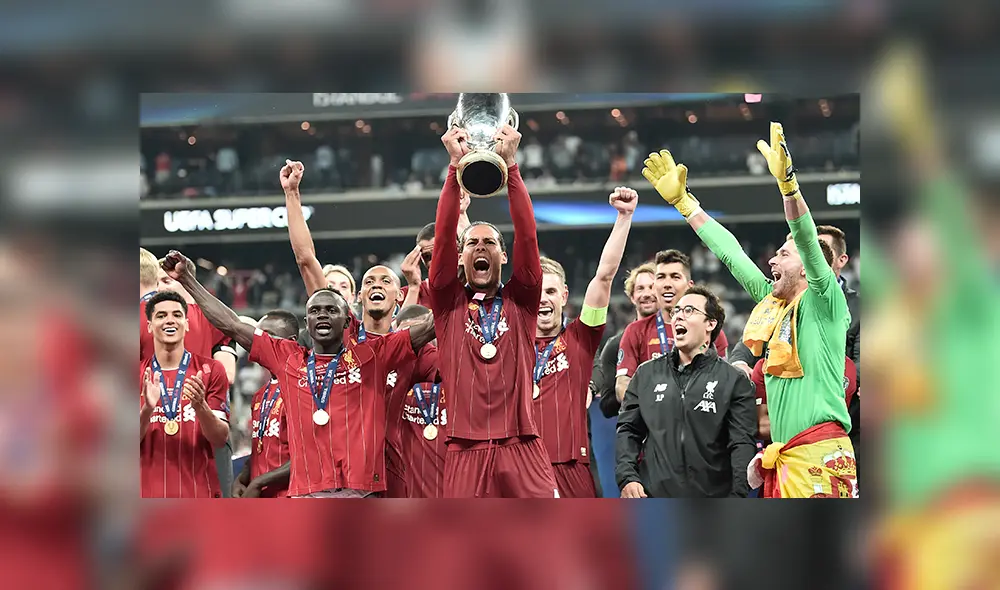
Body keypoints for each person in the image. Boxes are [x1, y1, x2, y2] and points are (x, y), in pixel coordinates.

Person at [641, 122, 856, 498]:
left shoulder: (826, 303)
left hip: (822, 458)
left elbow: (805, 237)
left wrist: (789, 185)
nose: (772, 259)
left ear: (807, 266)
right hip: (785, 457)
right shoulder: (772, 306)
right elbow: (730, 253)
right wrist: (685, 204)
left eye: (783, 254)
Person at [161, 250, 436, 498]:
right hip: (306, 493)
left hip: (361, 491)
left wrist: (466, 288)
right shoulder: (287, 357)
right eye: (315, 311)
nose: (323, 315)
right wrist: (187, 280)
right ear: (307, 321)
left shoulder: (373, 354)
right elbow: (232, 324)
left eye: (331, 310)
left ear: (347, 320)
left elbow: (429, 328)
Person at [429, 124, 558, 498]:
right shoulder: (447, 303)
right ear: (460, 256)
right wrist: (455, 170)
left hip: (522, 442)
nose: (480, 248)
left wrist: (512, 168)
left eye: (489, 243)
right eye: (471, 243)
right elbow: (441, 237)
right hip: (464, 447)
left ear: (503, 255)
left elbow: (528, 235)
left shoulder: (522, 300)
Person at [532, 187, 636, 497]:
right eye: (536, 292)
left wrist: (624, 217)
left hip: (571, 468)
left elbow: (604, 276)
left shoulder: (580, 336)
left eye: (551, 292)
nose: (543, 300)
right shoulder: (508, 340)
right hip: (520, 467)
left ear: (563, 296)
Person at [616, 285, 756, 498]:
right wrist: (627, 477)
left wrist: (737, 497)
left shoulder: (734, 381)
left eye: (689, 310)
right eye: (676, 311)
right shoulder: (646, 374)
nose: (678, 316)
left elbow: (741, 444)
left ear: (711, 323)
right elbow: (628, 430)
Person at [140, 291, 231, 498]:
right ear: (149, 326)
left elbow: (220, 439)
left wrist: (201, 407)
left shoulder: (211, 370)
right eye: (161, 315)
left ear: (187, 324)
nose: (170, 320)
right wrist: (147, 410)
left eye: (177, 315)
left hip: (200, 493)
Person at [615, 249, 729, 404]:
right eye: (661, 277)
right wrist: (654, 410)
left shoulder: (709, 330)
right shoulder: (636, 331)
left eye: (675, 277)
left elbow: (723, 383)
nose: (667, 284)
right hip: (653, 424)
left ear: (689, 286)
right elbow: (622, 385)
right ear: (655, 286)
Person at [232, 310, 299, 498]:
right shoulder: (260, 395)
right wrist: (242, 478)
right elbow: (260, 445)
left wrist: (258, 482)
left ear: (291, 341)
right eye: (257, 336)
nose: (259, 343)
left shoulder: (302, 387)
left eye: (268, 336)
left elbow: (306, 456)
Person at [280, 159, 357, 306]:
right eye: (330, 286)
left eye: (344, 286)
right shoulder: (323, 314)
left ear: (353, 297)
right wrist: (291, 192)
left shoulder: (364, 327)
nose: (337, 290)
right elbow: (305, 258)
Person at [391, 304, 448, 497]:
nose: (419, 345)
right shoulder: (386, 381)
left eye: (424, 336)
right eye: (410, 338)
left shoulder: (459, 380)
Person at [752, 355, 857, 445]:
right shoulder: (766, 365)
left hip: (826, 452)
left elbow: (836, 426)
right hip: (782, 455)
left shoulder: (846, 367)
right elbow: (762, 427)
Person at [596, 262, 656, 418]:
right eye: (640, 289)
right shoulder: (615, 345)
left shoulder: (680, 337)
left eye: (652, 287)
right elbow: (606, 406)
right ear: (632, 297)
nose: (647, 293)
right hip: (639, 433)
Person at [400, 192, 472, 308]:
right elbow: (400, 326)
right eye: (427, 257)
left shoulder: (482, 283)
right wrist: (413, 287)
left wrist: (461, 216)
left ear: (459, 250)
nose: (435, 262)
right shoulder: (409, 294)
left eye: (440, 253)